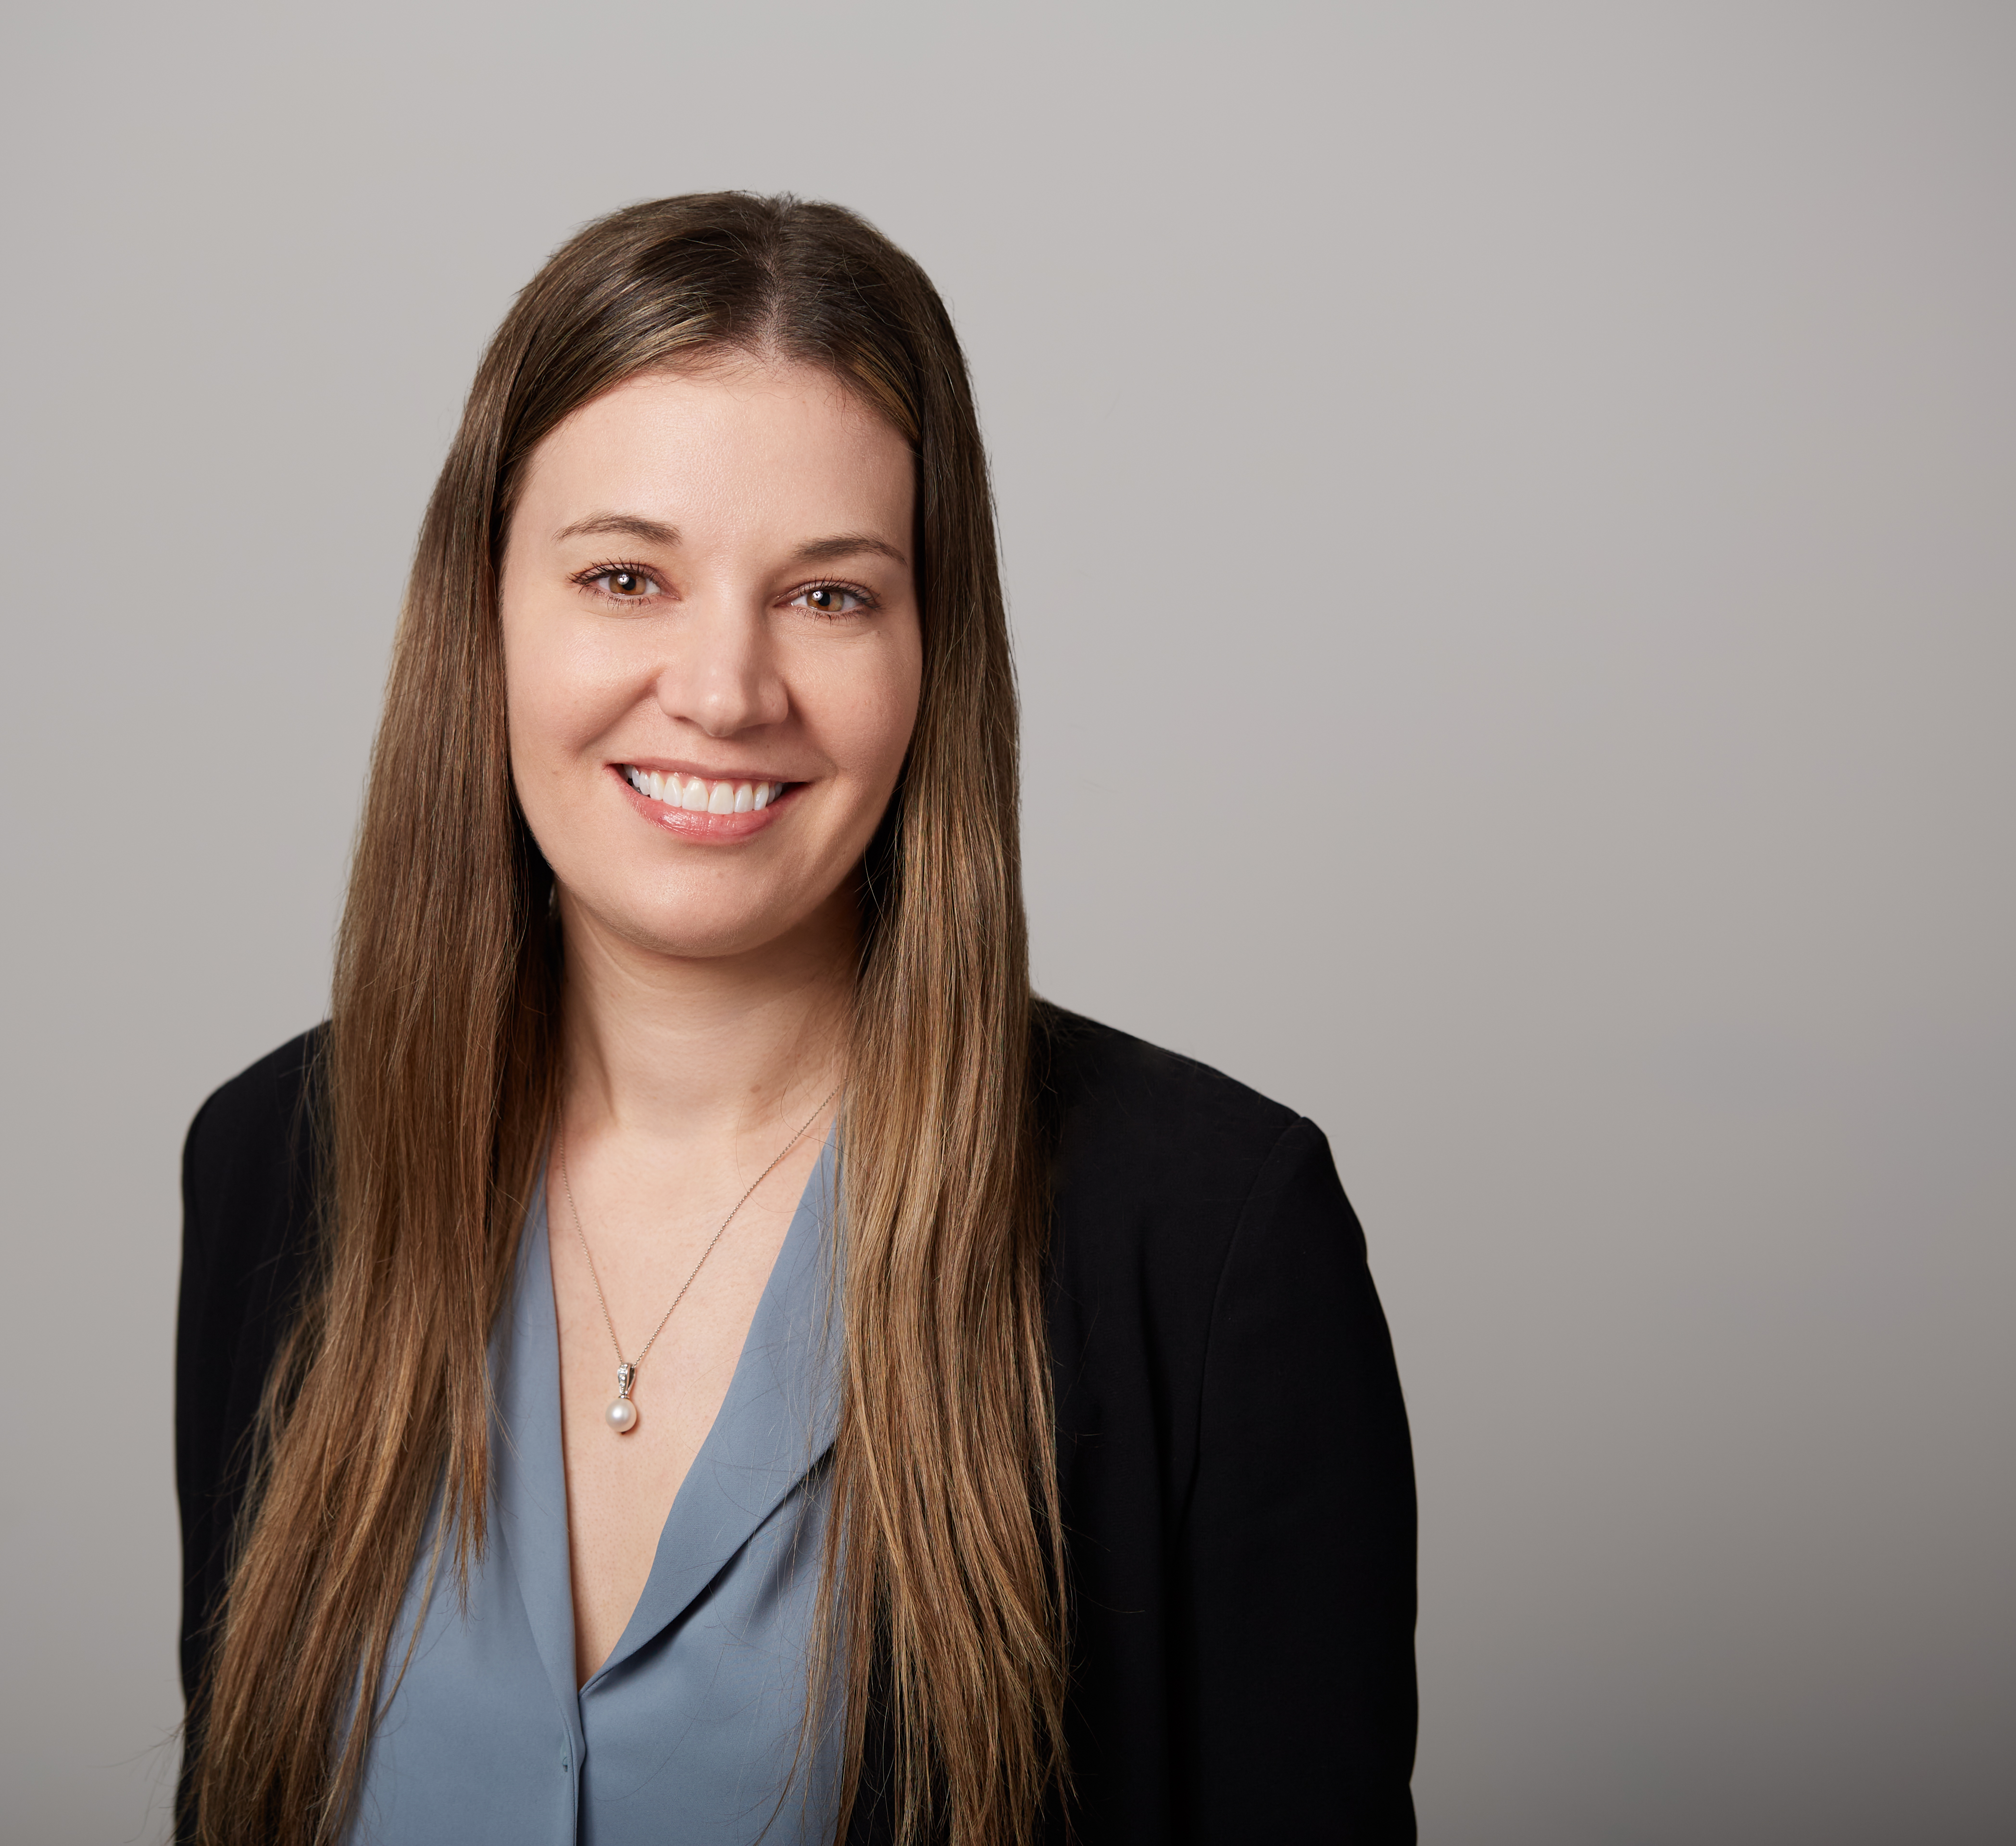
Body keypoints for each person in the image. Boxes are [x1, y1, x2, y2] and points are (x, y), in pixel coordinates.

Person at [174, 192, 1415, 1846]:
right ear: (482, 615)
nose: (723, 689)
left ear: (931, 655)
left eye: (828, 597)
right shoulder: (274, 1163)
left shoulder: (1209, 1244)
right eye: (626, 576)